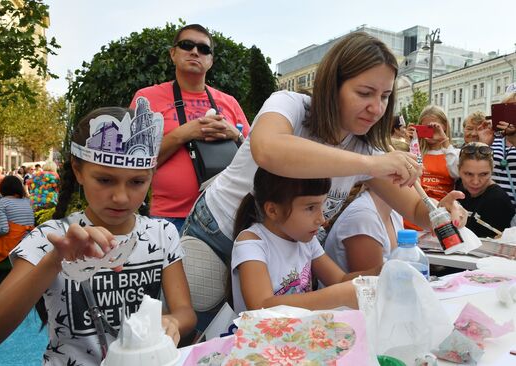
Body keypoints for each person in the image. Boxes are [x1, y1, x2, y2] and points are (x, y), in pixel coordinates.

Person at [182, 32, 467, 267]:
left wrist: (440, 212)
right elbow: (268, 150)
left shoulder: (365, 151)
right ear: (333, 85)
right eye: (364, 93)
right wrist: (369, 166)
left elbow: (416, 208)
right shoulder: (288, 104)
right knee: (193, 332)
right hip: (219, 234)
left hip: (281, 256)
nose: (377, 108)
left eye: (385, 96)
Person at [0, 101, 196, 365]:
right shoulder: (49, 238)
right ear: (78, 171)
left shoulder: (162, 233)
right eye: (105, 179)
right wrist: (54, 262)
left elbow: (185, 312)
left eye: (137, 182)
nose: (121, 197)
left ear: (151, 176)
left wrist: (173, 321)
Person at [130, 23, 249, 232]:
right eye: (187, 45)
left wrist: (235, 134)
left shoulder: (229, 102)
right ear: (173, 53)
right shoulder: (146, 99)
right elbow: (133, 162)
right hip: (169, 219)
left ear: (210, 61)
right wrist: (183, 134)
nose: (195, 52)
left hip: (224, 216)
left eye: (204, 49)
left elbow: (255, 154)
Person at [231, 168, 381, 313]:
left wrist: (381, 272)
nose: (321, 219)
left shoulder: (306, 239)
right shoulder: (252, 243)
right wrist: (337, 296)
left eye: (322, 205)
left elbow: (340, 279)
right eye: (310, 208)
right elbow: (261, 307)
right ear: (273, 210)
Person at [455, 142, 514, 238]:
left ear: (492, 171)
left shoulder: (497, 200)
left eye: (483, 174)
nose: (475, 182)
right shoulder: (460, 187)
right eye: (468, 174)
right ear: (458, 170)